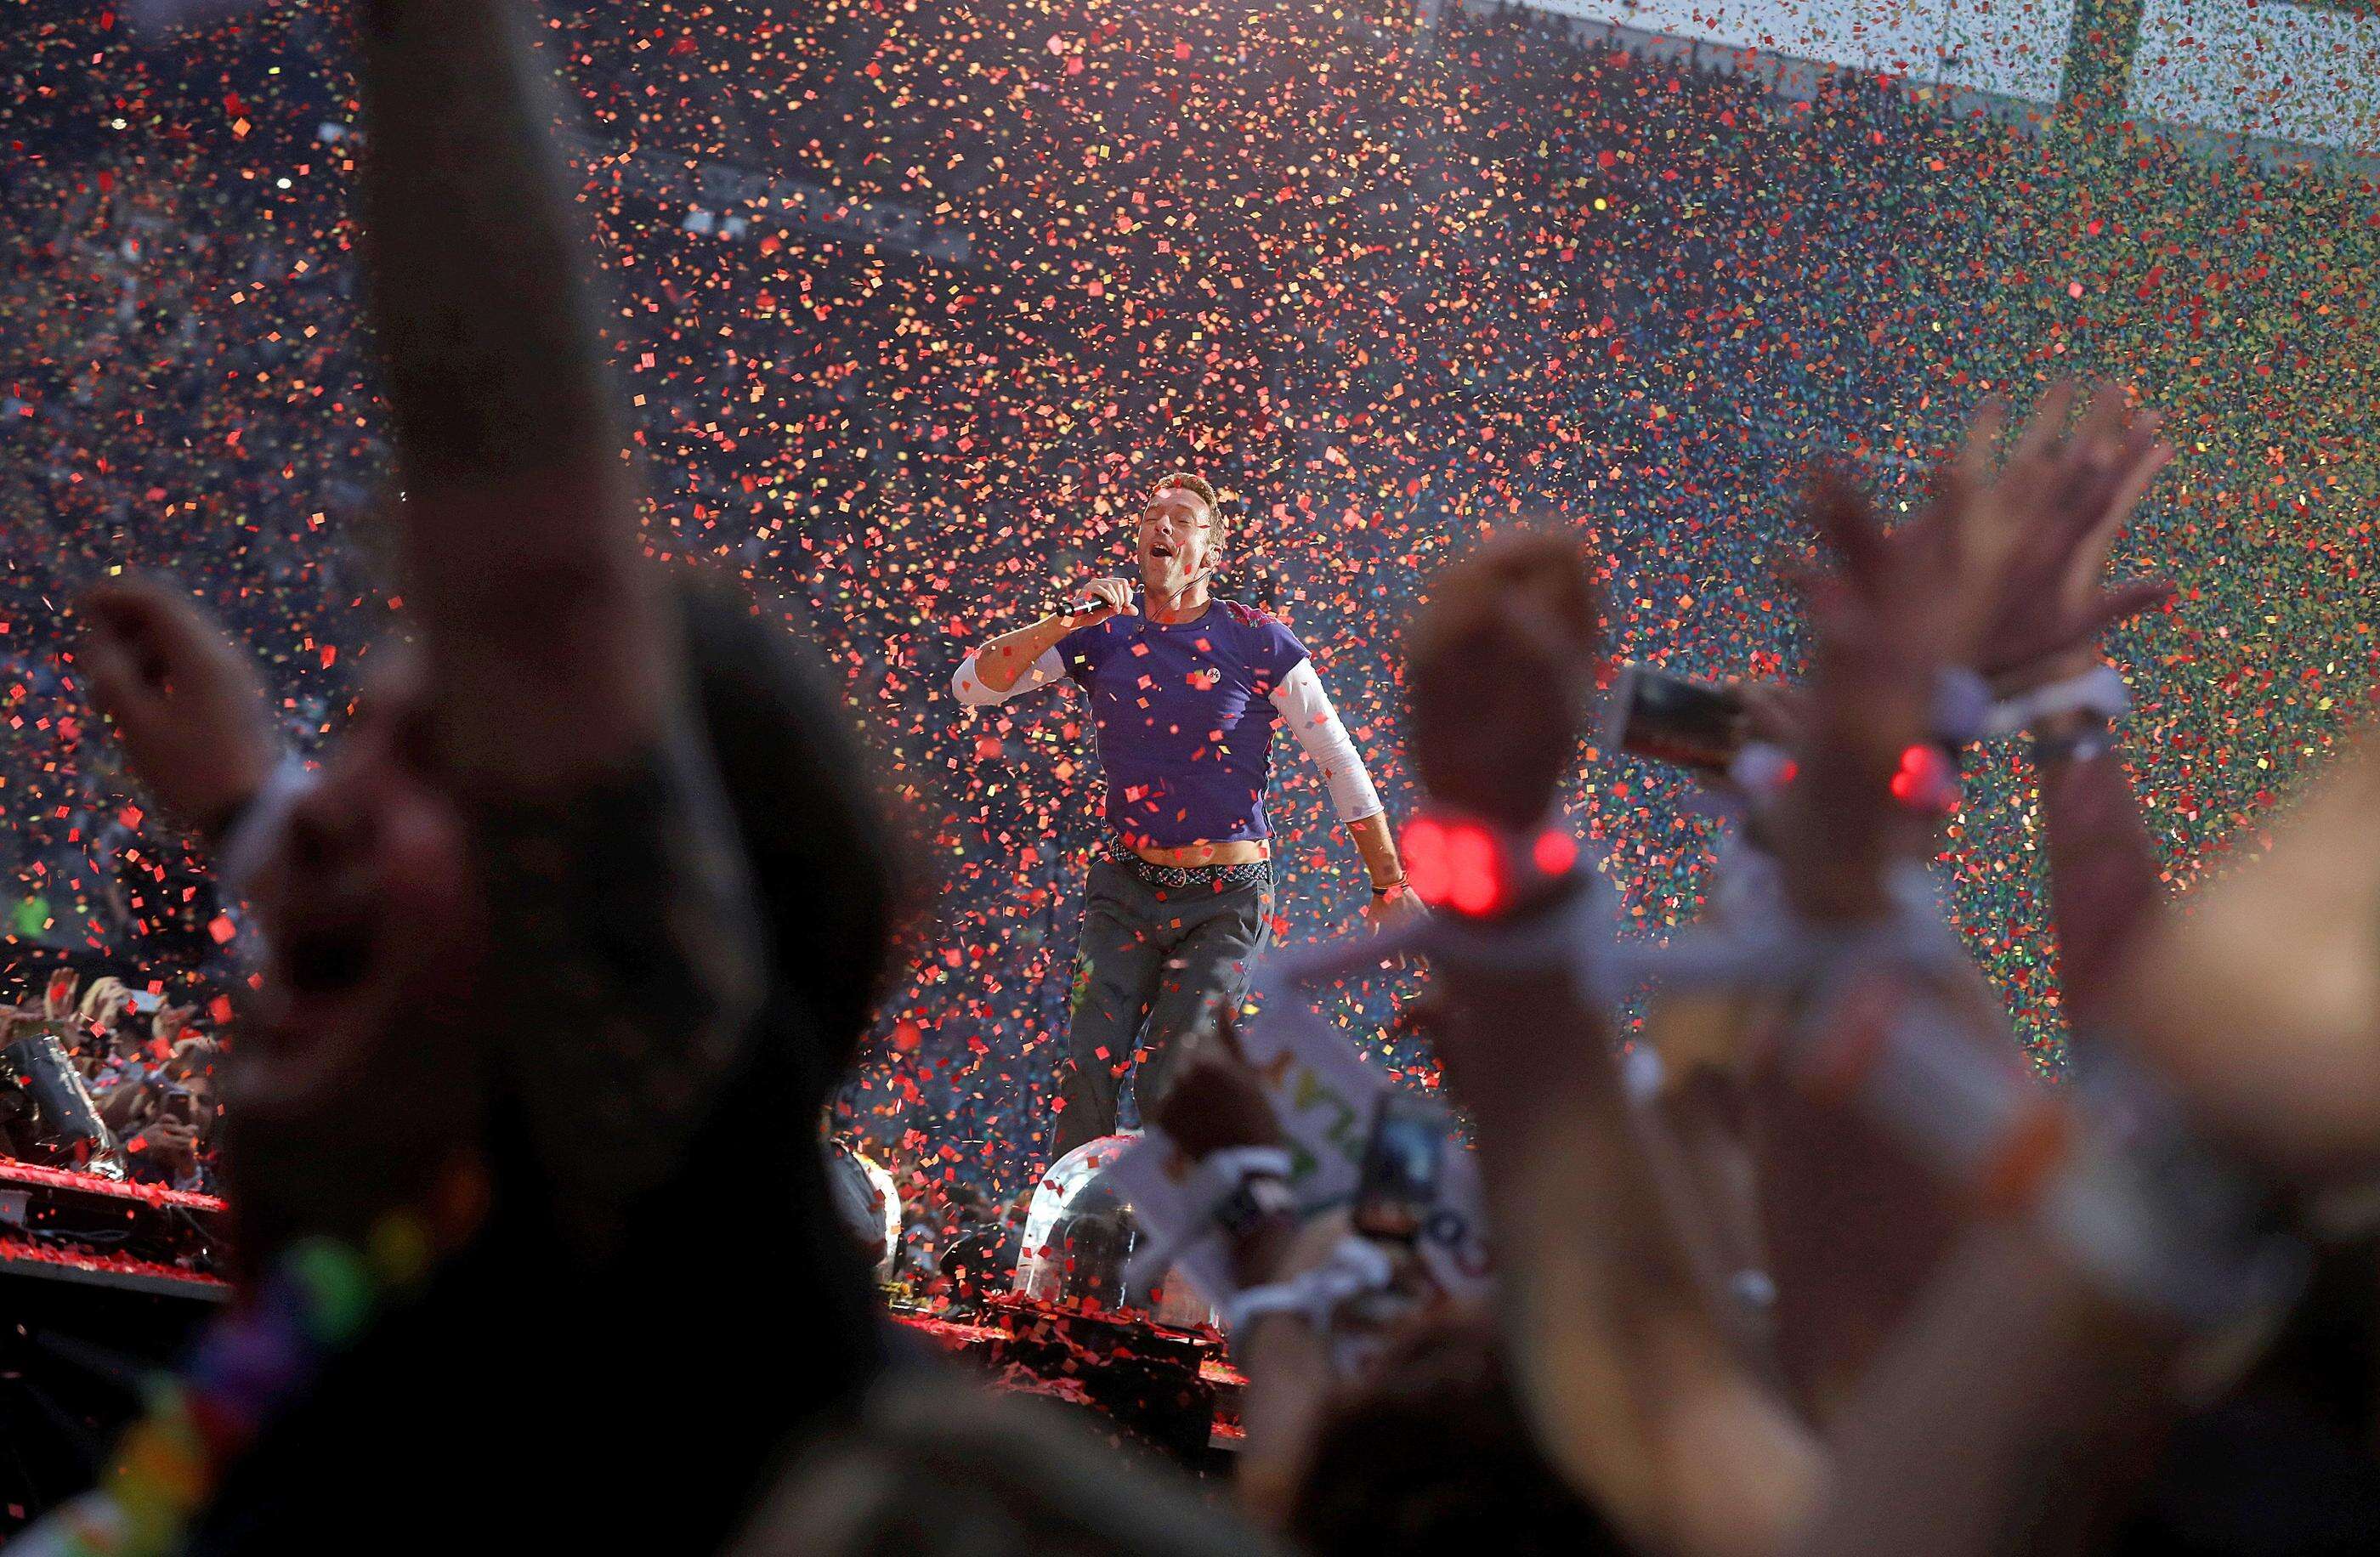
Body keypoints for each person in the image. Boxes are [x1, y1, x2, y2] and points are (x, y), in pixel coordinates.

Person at [953, 472, 1425, 1158]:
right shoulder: (1100, 633)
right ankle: (1069, 1256)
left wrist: (1388, 884)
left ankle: (1169, 1252)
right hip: (1125, 889)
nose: (1161, 527)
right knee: (1085, 1071)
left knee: (1169, 1080)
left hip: (1225, 903)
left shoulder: (1257, 638)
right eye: (1150, 516)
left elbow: (1339, 760)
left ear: (1210, 554)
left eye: (1182, 519)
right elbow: (973, 688)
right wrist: (1065, 621)